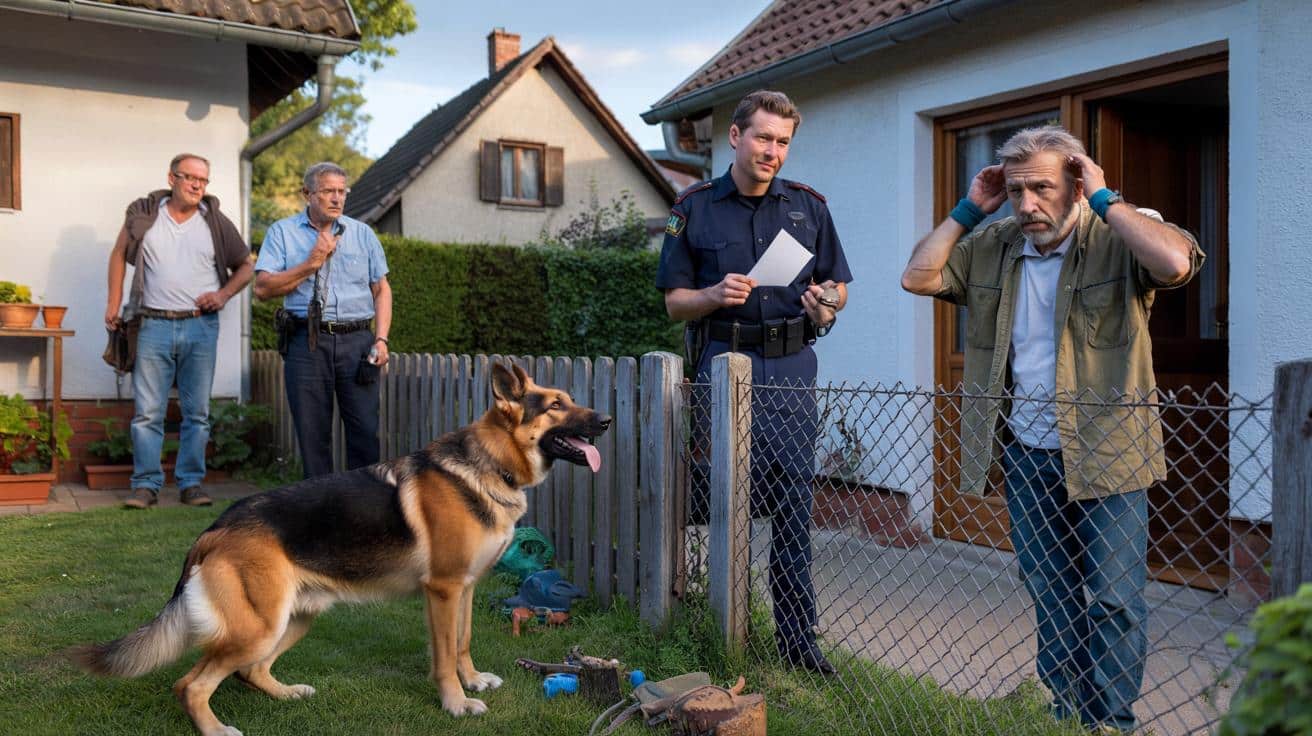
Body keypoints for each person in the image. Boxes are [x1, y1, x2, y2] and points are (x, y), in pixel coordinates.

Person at [900, 125, 1202, 732]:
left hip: (1108, 452)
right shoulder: (997, 243)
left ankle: (1110, 722)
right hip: (1028, 452)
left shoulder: (1119, 231)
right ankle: (1068, 715)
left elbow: (1174, 263)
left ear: (1074, 182)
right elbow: (920, 276)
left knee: (1115, 598)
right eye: (1016, 191)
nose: (1028, 204)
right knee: (1050, 592)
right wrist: (968, 208)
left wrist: (1105, 198)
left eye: (1042, 188)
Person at [656, 90, 853, 675]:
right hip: (724, 365)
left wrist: (826, 305)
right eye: (764, 138)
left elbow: (838, 286)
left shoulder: (809, 207)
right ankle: (723, 630)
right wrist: (713, 296)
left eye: (783, 142)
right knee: (726, 500)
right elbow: (673, 303)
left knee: (794, 504)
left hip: (793, 368)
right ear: (736, 136)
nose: (773, 151)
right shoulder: (691, 207)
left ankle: (798, 643)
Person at [105, 153, 254, 509]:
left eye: (203, 181)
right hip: (153, 324)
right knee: (147, 412)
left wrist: (222, 295)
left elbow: (246, 267)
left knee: (197, 412)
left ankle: (191, 484)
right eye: (190, 178)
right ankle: (145, 486)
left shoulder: (215, 222)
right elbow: (118, 254)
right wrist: (113, 303)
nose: (197, 186)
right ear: (172, 178)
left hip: (200, 326)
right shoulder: (144, 215)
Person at [253, 162, 391, 479]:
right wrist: (311, 263)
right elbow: (262, 288)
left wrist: (381, 338)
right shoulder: (282, 233)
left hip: (358, 343)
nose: (337, 198)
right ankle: (320, 513)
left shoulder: (362, 234)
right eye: (328, 191)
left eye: (342, 191)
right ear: (308, 193)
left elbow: (381, 289)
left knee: (365, 432)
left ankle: (366, 510)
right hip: (307, 343)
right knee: (313, 436)